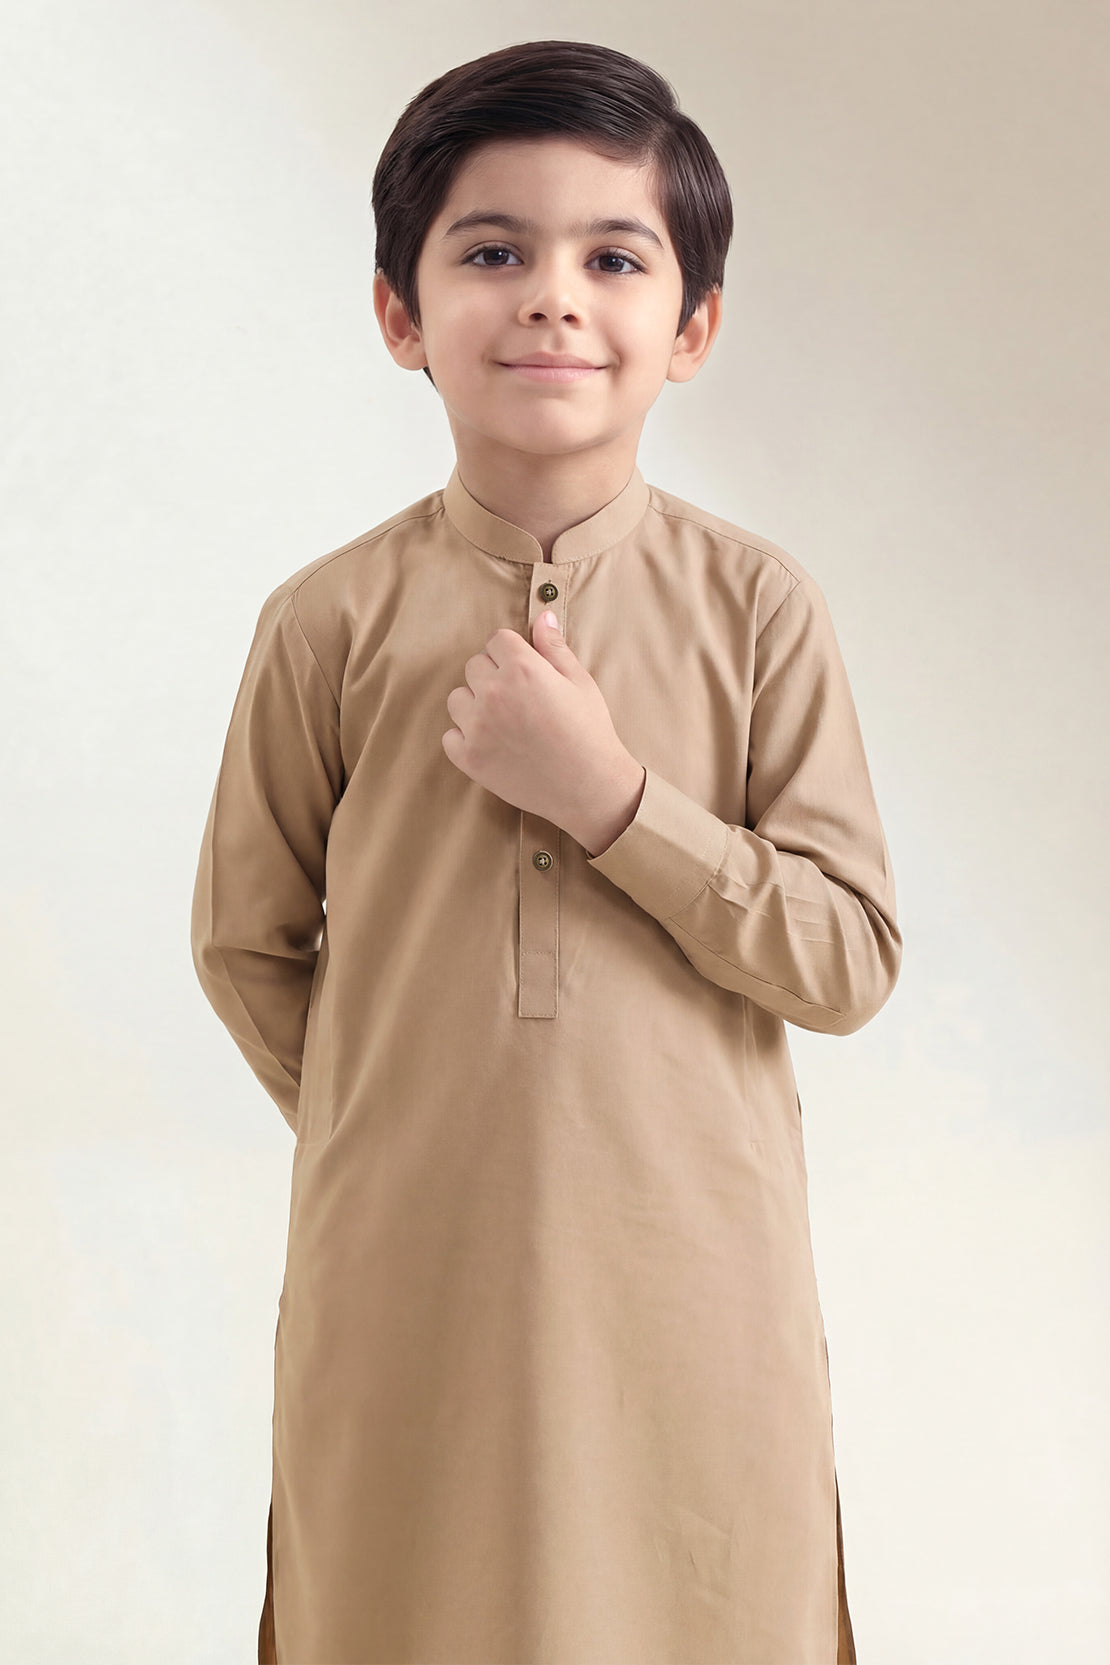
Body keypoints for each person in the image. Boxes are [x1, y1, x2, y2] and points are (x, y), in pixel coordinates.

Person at [190, 37, 901, 1665]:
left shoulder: (756, 610)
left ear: (692, 327)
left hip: (691, 1269)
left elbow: (848, 957)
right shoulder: (326, 620)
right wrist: (401, 1118)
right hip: (408, 1270)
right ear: (400, 313)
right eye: (493, 252)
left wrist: (612, 802)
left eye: (613, 259)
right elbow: (244, 941)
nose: (553, 300)